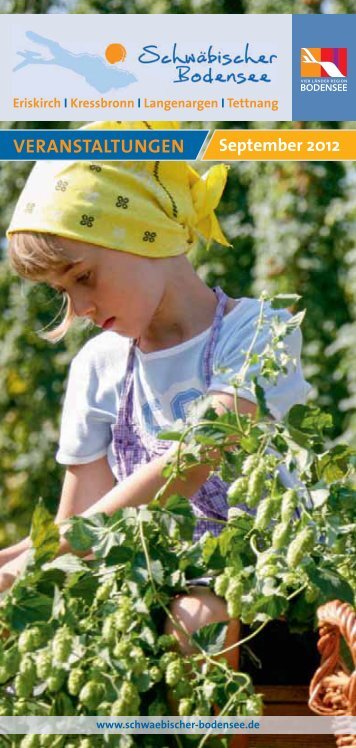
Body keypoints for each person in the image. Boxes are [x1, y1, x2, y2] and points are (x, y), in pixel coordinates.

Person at [0, 121, 310, 685]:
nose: (81, 307)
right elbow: (78, 522)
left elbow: (197, 456)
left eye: (85, 276)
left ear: (143, 234)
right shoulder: (97, 367)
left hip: (261, 579)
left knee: (197, 622)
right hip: (149, 577)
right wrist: (18, 563)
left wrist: (36, 560)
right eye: (63, 291)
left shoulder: (260, 332)